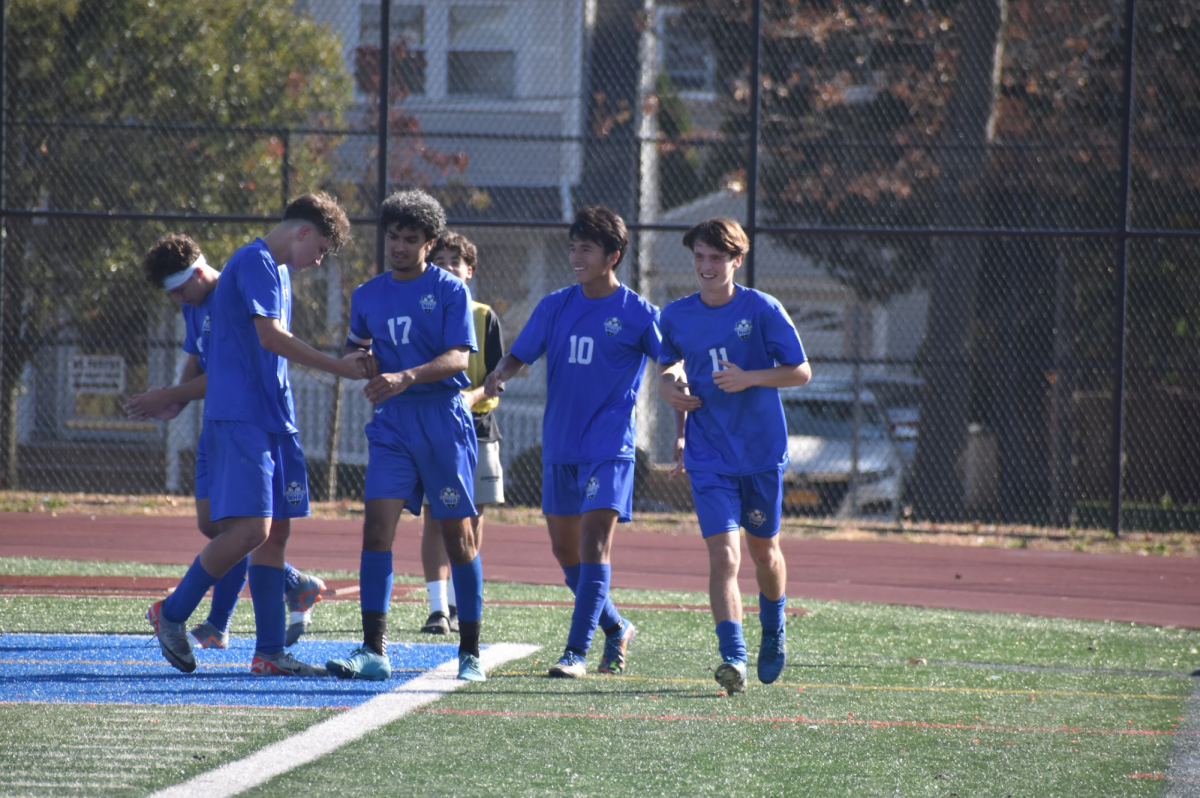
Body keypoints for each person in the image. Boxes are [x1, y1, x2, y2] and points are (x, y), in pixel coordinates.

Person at [145, 193, 368, 676]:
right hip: (242, 417)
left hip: (272, 418)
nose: (320, 260)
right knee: (250, 530)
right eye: (323, 248)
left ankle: (269, 653)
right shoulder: (255, 261)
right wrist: (339, 369)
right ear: (303, 232)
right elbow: (269, 337)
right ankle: (173, 612)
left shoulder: (278, 270)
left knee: (274, 535)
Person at [127, 234, 327, 652]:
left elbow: (226, 373)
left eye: (182, 288)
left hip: (248, 421)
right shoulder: (194, 302)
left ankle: (207, 620)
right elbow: (197, 357)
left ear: (199, 272)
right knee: (215, 527)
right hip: (217, 423)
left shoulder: (235, 291)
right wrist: (177, 400)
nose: (181, 298)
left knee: (248, 529)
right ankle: (295, 584)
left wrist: (169, 396)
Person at [484, 206, 659, 679]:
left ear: (613, 256)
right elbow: (519, 356)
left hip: (609, 448)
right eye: (573, 247)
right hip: (560, 445)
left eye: (587, 248)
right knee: (566, 554)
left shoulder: (640, 314)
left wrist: (682, 379)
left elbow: (671, 361)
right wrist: (498, 376)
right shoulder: (555, 305)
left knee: (594, 546)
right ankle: (617, 626)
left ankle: (575, 653)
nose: (576, 256)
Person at [325, 190, 486, 682]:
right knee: (376, 531)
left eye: (409, 239)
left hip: (442, 420)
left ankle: (470, 653)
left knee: (459, 539)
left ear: (429, 242)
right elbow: (355, 350)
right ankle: (374, 649)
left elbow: (461, 357)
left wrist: (405, 376)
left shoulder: (451, 291)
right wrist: (362, 363)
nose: (397, 246)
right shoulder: (367, 294)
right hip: (392, 424)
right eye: (392, 236)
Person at [656, 218, 811, 695]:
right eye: (699, 257)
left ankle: (774, 626)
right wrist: (670, 389)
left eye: (716, 258)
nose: (706, 266)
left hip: (761, 452)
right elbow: (667, 368)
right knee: (724, 555)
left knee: (764, 553)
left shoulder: (762, 309)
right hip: (709, 454)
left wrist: (750, 377)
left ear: (736, 261)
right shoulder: (676, 315)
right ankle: (733, 660)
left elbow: (800, 372)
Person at [418, 231, 506, 636]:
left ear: (469, 271)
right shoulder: (422, 311)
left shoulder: (484, 317)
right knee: (435, 516)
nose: (448, 267)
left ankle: (458, 602)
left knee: (471, 517)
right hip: (433, 427)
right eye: (441, 260)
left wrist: (469, 399)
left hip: (478, 428)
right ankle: (437, 608)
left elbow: (495, 380)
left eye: (456, 261)